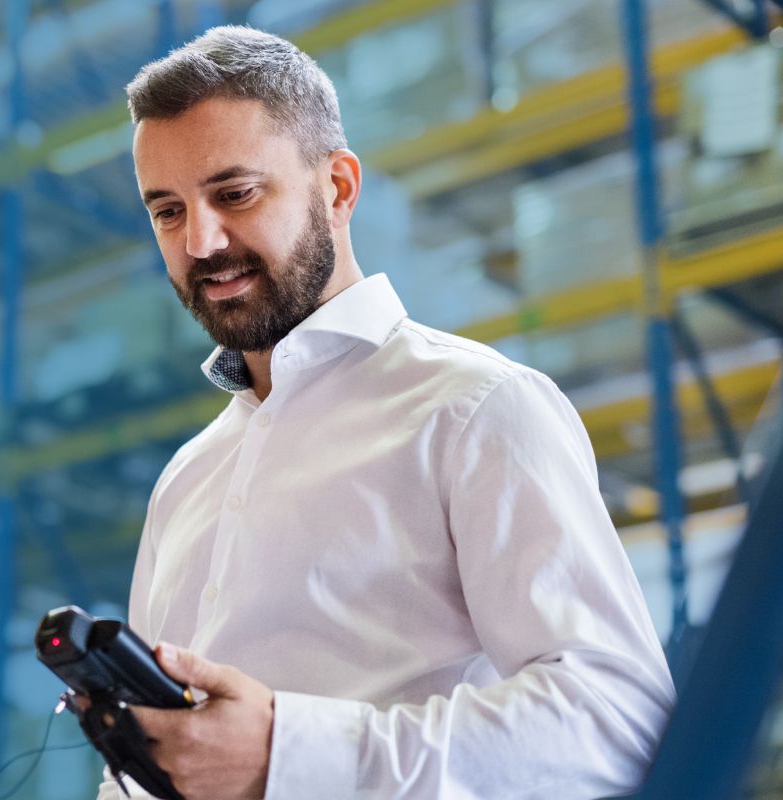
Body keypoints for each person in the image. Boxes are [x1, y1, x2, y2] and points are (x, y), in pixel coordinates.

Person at [95, 25, 676, 800]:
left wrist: (286, 753)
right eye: (168, 211)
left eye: (235, 194)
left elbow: (618, 724)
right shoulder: (187, 478)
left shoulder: (475, 409)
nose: (201, 241)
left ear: (337, 188)